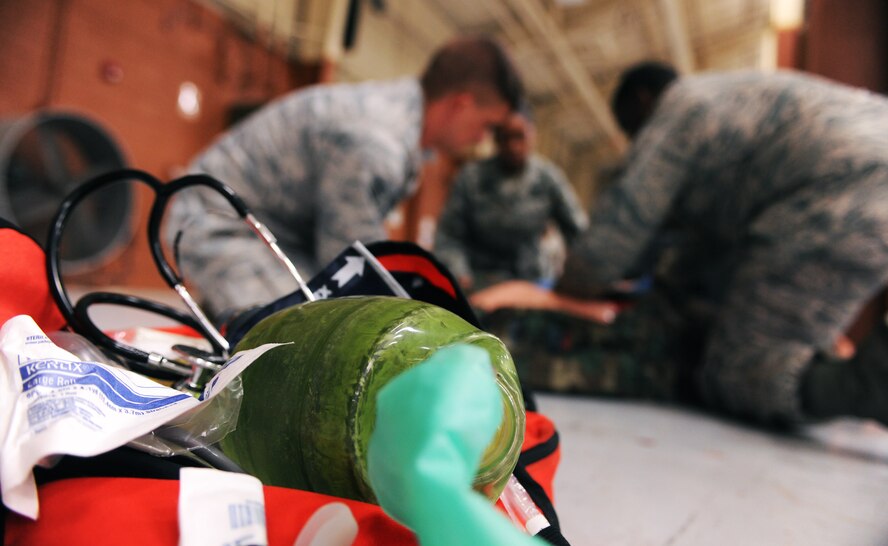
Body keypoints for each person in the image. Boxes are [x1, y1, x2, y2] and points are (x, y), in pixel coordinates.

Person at [471, 61, 888, 428]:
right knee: (759, 342)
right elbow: (710, 246)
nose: (637, 144)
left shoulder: (681, 109)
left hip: (850, 192)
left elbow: (618, 229)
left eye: (633, 129)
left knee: (739, 371)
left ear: (643, 99)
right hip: (862, 171)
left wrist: (565, 294)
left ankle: (861, 386)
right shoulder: (729, 101)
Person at [164, 37, 523, 320]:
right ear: (460, 104)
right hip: (220, 225)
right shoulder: (377, 143)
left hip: (278, 235)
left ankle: (235, 320)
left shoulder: (402, 130)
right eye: (487, 126)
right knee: (303, 338)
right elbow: (353, 266)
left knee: (325, 322)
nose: (482, 141)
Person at [433, 110, 588, 293]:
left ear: (533, 135)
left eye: (519, 137)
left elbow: (578, 233)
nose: (513, 146)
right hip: (477, 281)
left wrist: (582, 277)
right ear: (495, 139)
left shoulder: (548, 179)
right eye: (504, 138)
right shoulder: (471, 178)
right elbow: (448, 235)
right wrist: (458, 273)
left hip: (531, 283)